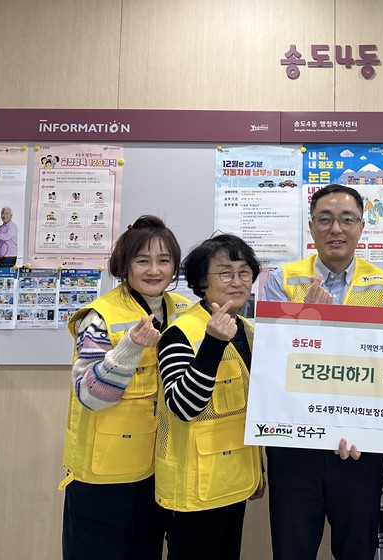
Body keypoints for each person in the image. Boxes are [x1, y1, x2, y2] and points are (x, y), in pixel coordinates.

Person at [261, 184, 383, 560]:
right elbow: (271, 359)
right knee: (292, 548)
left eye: (346, 219)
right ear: (311, 226)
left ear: (361, 227)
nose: (336, 228)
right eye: (325, 219)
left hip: (358, 446)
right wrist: (305, 322)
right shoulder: (282, 279)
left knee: (357, 548)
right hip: (295, 441)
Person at [60, 215, 191, 560]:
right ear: (125, 265)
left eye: (164, 260)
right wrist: (131, 346)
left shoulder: (184, 311)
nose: (154, 270)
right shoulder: (99, 316)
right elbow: (90, 396)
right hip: (104, 476)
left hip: (158, 472)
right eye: (142, 260)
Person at [156, 234, 264, 560]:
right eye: (225, 273)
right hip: (192, 489)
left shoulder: (248, 332)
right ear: (202, 281)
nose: (237, 281)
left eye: (244, 272)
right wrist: (213, 344)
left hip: (234, 482)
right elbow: (183, 407)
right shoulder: (180, 333)